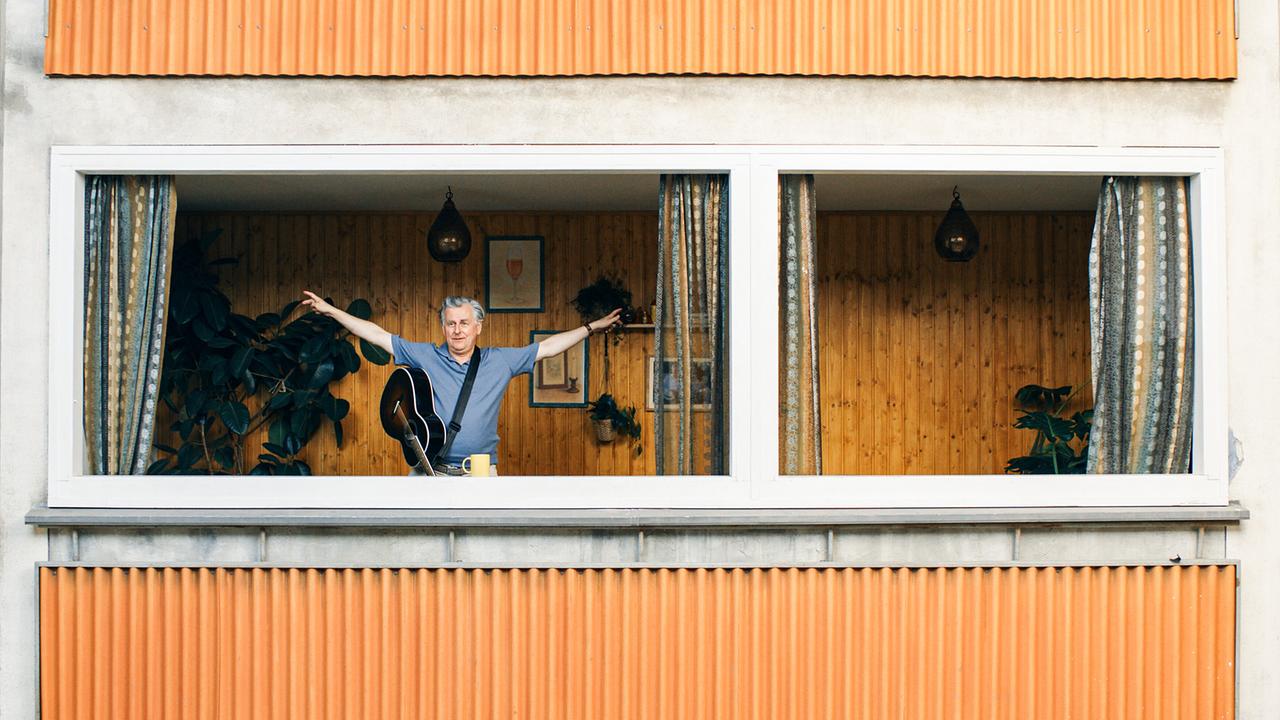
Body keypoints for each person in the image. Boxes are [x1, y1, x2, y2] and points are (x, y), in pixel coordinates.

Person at [300, 291, 622, 475]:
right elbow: (377, 335)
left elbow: (549, 347)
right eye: (451, 323)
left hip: (480, 475)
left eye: (464, 323)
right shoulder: (425, 355)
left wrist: (591, 328)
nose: (457, 330)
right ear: (443, 327)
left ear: (478, 327)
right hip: (429, 471)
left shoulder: (500, 361)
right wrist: (331, 312)